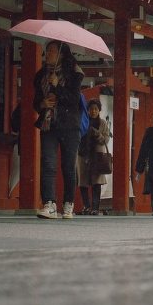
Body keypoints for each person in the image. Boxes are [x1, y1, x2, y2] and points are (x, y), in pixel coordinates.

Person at [33, 39, 85, 219]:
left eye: (52, 51)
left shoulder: (74, 74)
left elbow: (73, 99)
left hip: (70, 126)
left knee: (68, 167)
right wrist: (42, 104)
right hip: (49, 125)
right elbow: (35, 100)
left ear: (61, 55)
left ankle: (68, 204)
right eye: (47, 51)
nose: (47, 54)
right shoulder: (40, 75)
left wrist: (57, 86)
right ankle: (49, 203)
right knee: (48, 164)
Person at [76, 97, 110, 216]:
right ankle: (86, 205)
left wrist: (97, 134)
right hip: (83, 153)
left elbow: (106, 140)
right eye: (91, 109)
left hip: (97, 155)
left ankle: (95, 207)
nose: (93, 111)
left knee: (97, 181)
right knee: (82, 181)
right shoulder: (82, 121)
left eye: (96, 109)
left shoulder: (102, 123)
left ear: (99, 110)